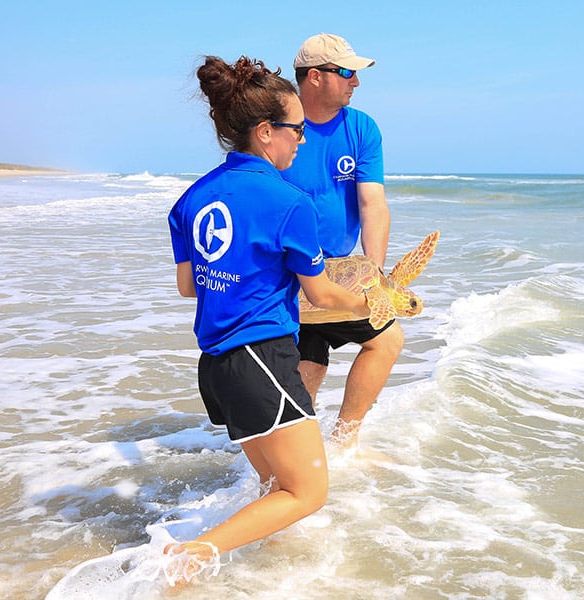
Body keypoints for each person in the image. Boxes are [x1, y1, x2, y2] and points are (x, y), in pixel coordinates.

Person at [165, 55, 369, 585]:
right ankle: (188, 557)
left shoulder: (191, 200)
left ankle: (263, 578)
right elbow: (321, 294)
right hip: (264, 359)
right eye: (296, 130)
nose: (302, 140)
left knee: (276, 482)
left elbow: (189, 287)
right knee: (308, 492)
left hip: (217, 365)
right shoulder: (289, 202)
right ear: (264, 132)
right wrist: (368, 302)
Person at [282, 33, 403, 449]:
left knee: (385, 338)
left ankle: (344, 441)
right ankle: (289, 461)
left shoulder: (362, 128)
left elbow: (372, 205)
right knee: (308, 365)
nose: (356, 82)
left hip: (336, 270)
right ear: (315, 76)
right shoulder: (278, 127)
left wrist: (375, 275)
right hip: (281, 272)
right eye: (347, 72)